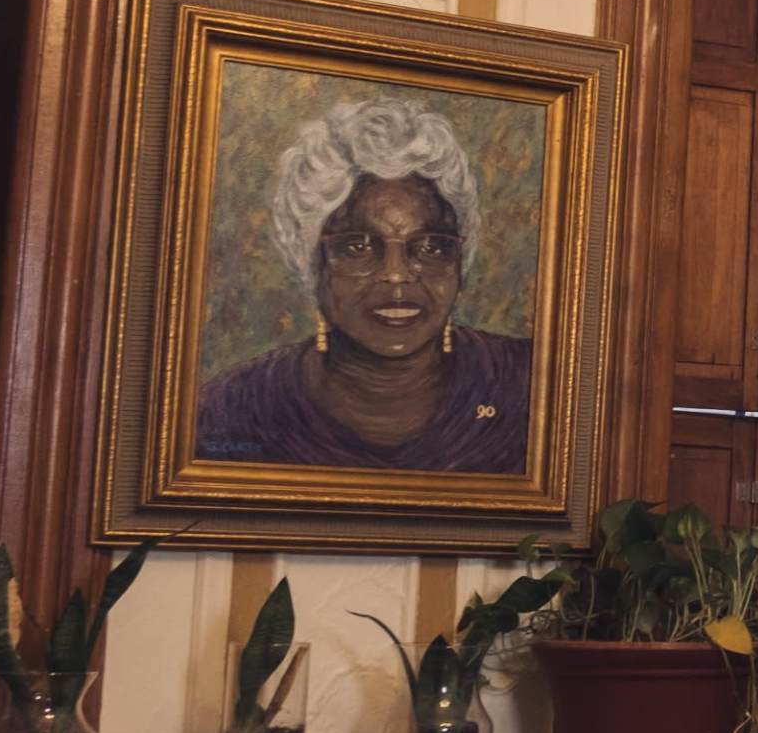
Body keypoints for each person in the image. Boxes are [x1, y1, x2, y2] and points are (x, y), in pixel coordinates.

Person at [194, 96, 533, 472]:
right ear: (311, 262)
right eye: (357, 246)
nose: (398, 274)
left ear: (459, 260)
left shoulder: (530, 387)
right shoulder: (229, 411)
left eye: (431, 246)